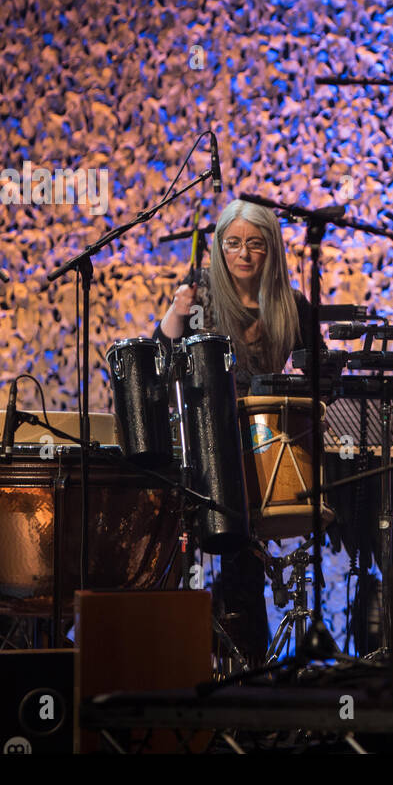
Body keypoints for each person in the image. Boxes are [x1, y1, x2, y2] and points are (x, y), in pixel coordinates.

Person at [155, 198, 325, 663]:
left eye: (255, 244)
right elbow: (159, 360)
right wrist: (175, 311)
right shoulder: (201, 299)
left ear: (271, 250)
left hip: (269, 447)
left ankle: (251, 667)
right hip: (211, 448)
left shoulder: (292, 306)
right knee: (224, 554)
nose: (244, 254)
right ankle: (205, 661)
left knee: (243, 563)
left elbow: (322, 374)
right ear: (218, 246)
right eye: (233, 243)